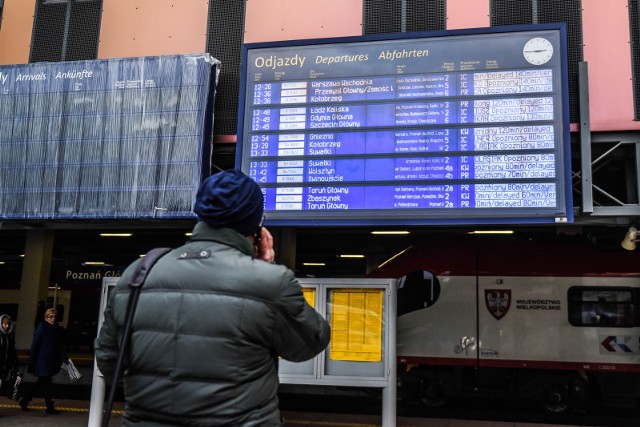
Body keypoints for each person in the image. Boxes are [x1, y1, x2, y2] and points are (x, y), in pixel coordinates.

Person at [95, 169, 331, 426]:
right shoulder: (270, 282)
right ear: (257, 226)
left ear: (201, 215)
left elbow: (109, 363)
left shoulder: (139, 273)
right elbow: (309, 344)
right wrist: (266, 268)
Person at [19, 308, 67, 415]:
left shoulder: (56, 328)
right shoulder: (43, 327)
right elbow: (35, 344)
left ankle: (25, 400)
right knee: (46, 383)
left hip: (49, 360)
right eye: (50, 316)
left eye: (54, 316)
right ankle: (49, 407)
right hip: (43, 361)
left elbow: (58, 344)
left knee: (42, 382)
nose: (53, 319)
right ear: (46, 317)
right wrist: (31, 361)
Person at [0, 314, 18, 394]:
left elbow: (12, 348)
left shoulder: (10, 334)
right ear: (1, 323)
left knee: (2, 380)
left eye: (8, 324)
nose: (7, 326)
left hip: (6, 363)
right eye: (5, 324)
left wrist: (15, 360)